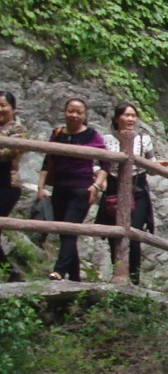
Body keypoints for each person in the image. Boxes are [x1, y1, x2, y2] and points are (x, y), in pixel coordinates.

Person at [96, 104, 168, 285]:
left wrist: (158, 165)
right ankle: (118, 273)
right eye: (126, 115)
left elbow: (151, 165)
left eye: (133, 116)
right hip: (113, 186)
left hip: (137, 188)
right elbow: (98, 162)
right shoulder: (106, 139)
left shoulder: (143, 139)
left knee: (134, 232)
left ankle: (134, 279)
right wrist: (100, 179)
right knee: (114, 234)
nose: (131, 119)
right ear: (117, 119)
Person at [38, 97, 107, 282]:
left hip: (81, 190)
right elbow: (48, 161)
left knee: (69, 229)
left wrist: (96, 185)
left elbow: (105, 163)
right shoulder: (58, 134)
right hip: (60, 188)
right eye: (71, 111)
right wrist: (41, 187)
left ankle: (59, 271)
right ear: (65, 112)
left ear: (85, 115)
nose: (74, 115)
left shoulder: (92, 135)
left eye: (79, 112)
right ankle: (75, 277)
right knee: (65, 232)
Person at [0, 93, 25, 282]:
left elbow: (9, 152)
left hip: (8, 184)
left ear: (13, 108)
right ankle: (10, 272)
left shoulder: (18, 129)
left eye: (3, 105)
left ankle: (10, 271)